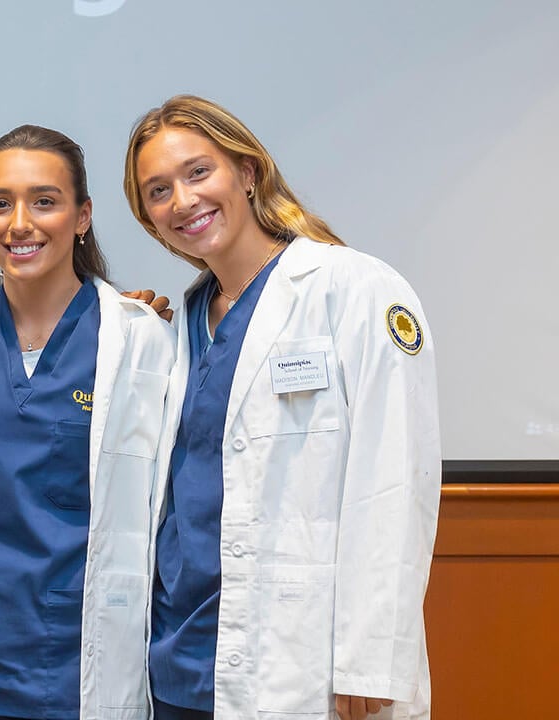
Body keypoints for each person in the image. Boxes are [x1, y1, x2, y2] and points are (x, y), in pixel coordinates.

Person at [123, 95, 440, 720]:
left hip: (302, 661)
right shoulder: (173, 325)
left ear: (246, 172)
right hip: (179, 657)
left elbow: (396, 478)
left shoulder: (354, 289)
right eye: (158, 191)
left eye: (197, 172)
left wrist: (371, 658)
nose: (182, 201)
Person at [0, 125, 176, 720]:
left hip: (81, 659)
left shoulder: (141, 342)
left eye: (45, 201)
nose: (19, 224)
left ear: (82, 216)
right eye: (0, 203)